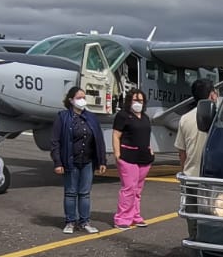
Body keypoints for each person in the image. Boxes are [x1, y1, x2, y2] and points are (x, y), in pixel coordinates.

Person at [175, 78, 218, 257]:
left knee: (194, 223)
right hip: (214, 180)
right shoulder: (218, 116)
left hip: (191, 178)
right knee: (216, 222)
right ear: (212, 95)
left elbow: (181, 152)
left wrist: (184, 171)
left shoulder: (184, 119)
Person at [50, 86, 108, 234]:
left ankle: (85, 222)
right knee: (70, 193)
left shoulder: (91, 117)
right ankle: (70, 222)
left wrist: (102, 161)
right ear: (71, 100)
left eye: (83, 97)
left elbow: (99, 140)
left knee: (85, 193)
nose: (82, 100)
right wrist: (58, 162)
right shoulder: (63, 117)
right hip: (71, 161)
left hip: (87, 161)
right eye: (78, 98)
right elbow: (55, 141)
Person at [112, 88, 154, 229]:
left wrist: (150, 150)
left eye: (141, 100)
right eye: (135, 100)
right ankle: (122, 218)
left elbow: (145, 135)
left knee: (137, 190)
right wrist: (117, 154)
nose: (138, 103)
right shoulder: (123, 116)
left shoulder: (145, 117)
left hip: (144, 158)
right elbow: (116, 135)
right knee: (129, 188)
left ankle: (135, 215)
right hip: (128, 156)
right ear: (129, 101)